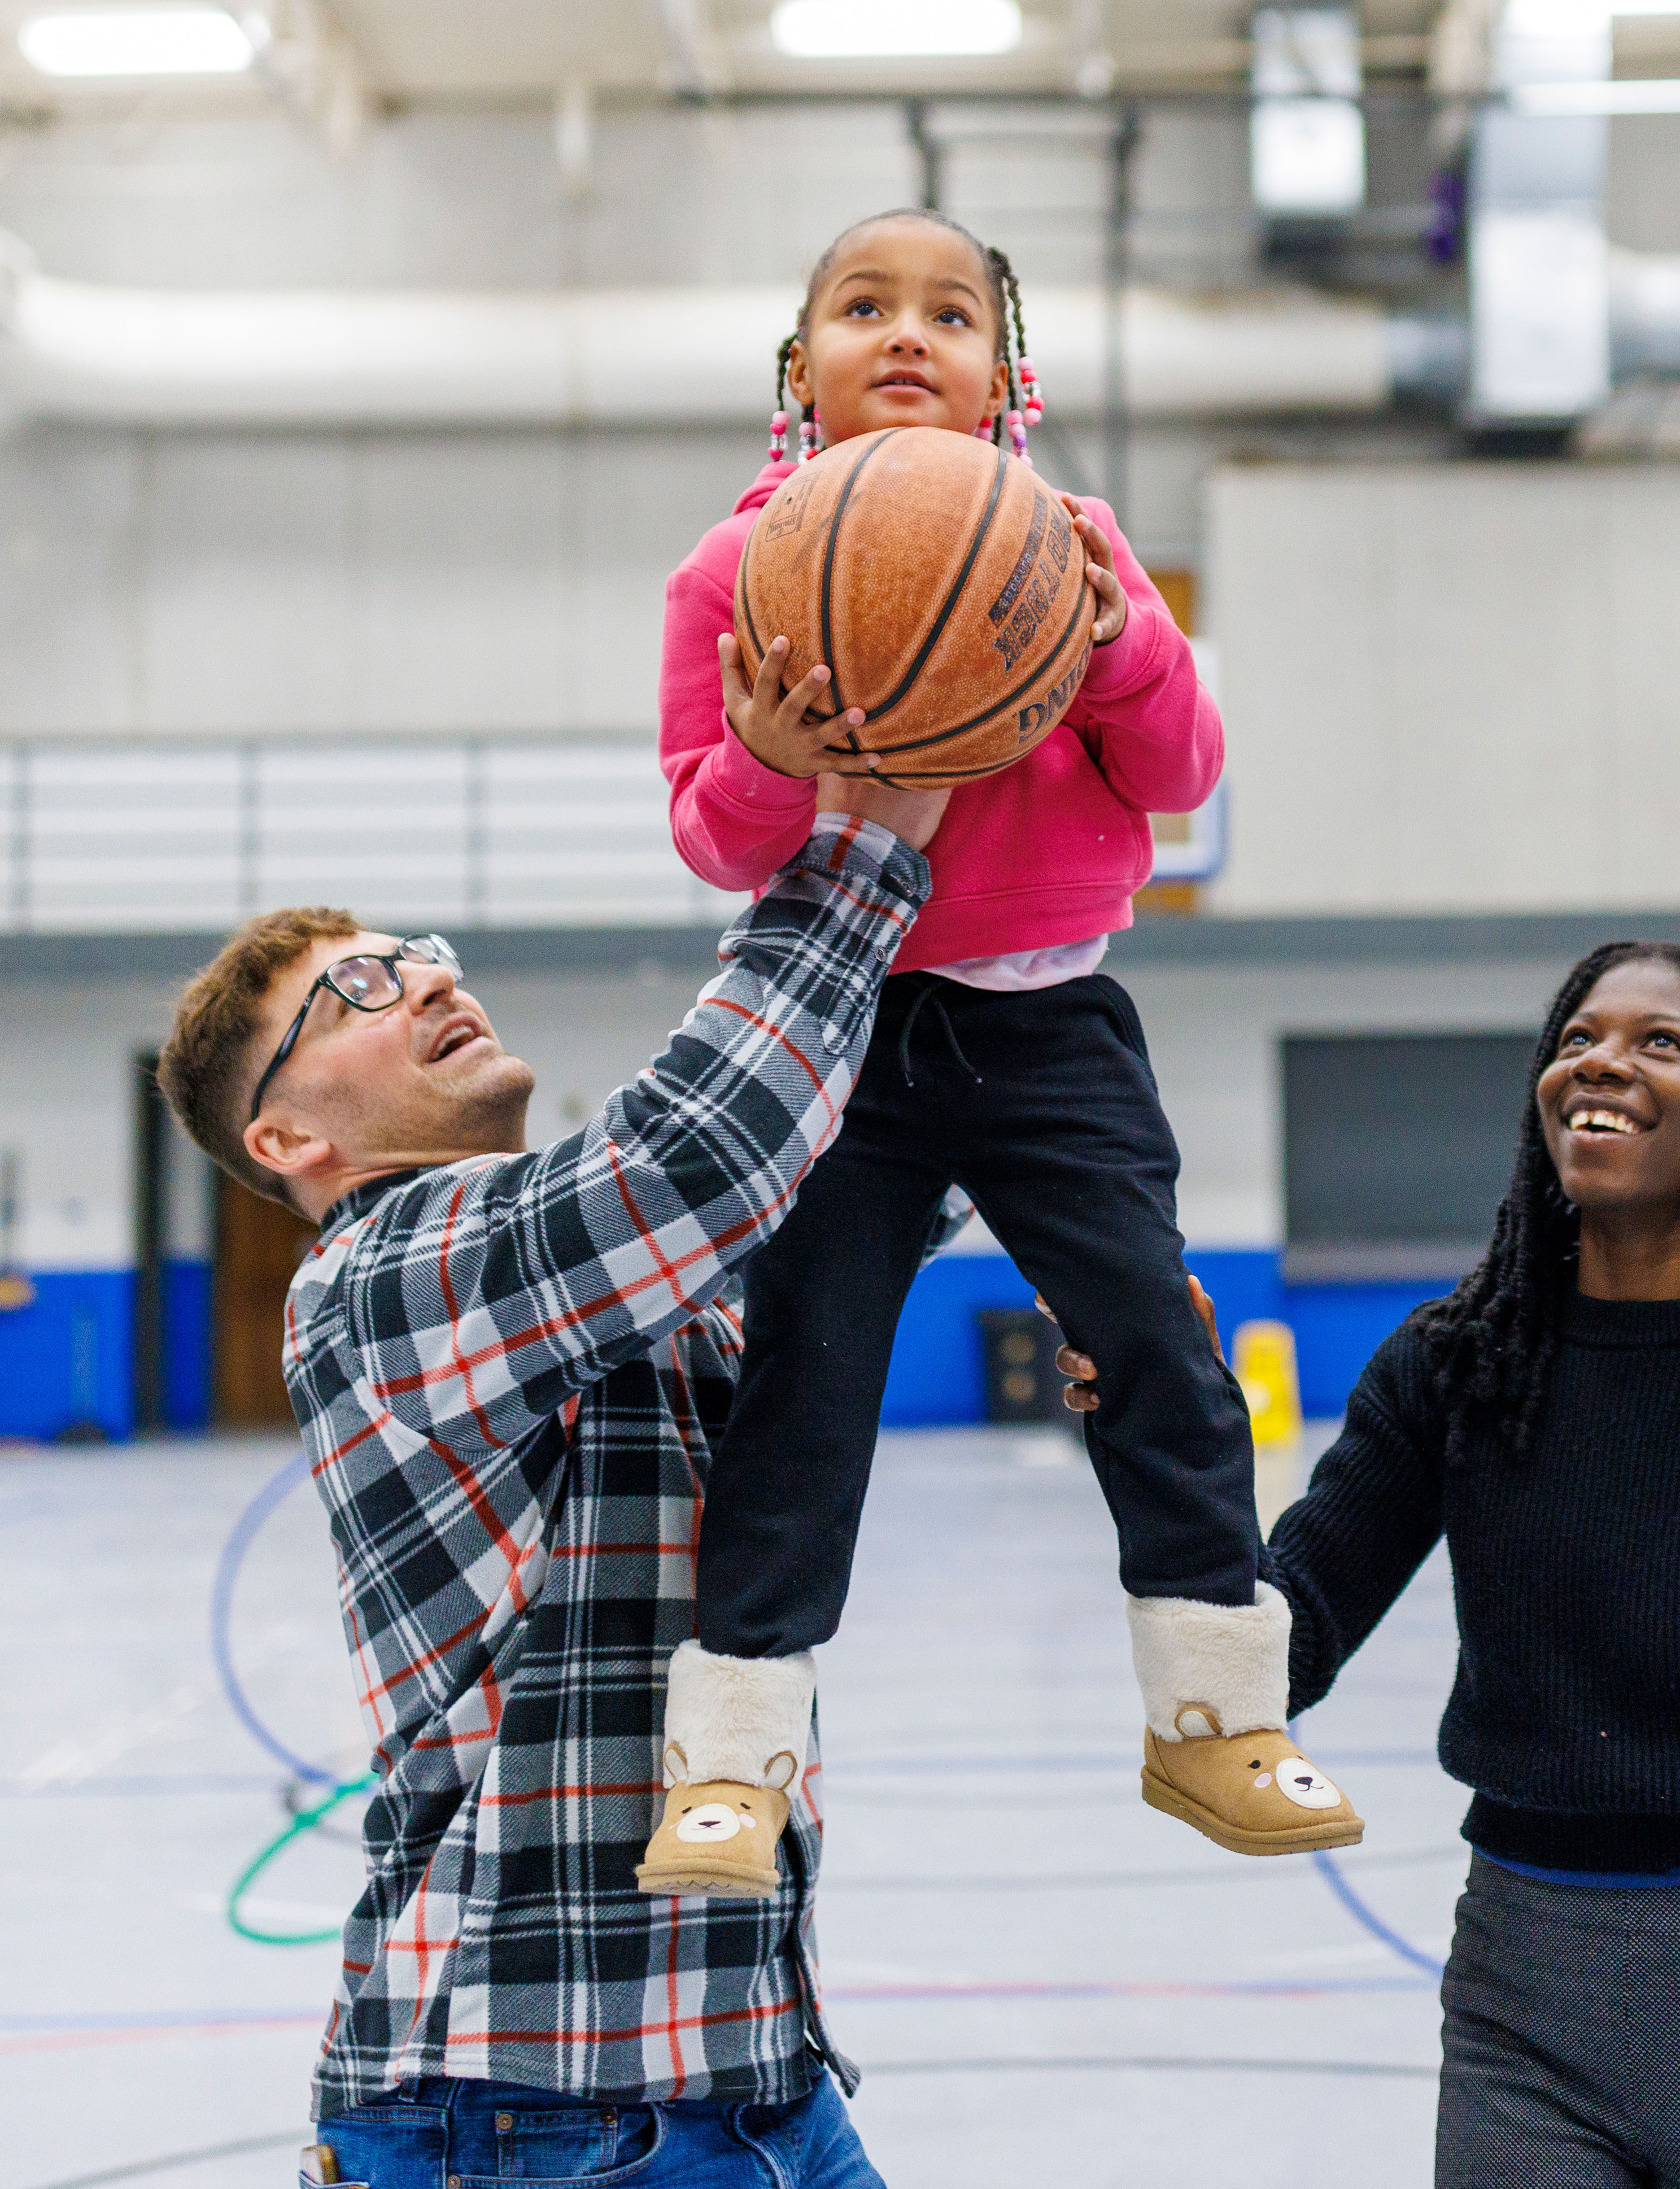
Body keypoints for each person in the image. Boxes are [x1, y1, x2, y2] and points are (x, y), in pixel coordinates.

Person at [641, 205, 1355, 1899]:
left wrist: (1113, 638)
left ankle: (1210, 1716)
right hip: (827, 1022)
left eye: (948, 313)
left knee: (1162, 1353)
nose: (906, 333)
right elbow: (714, 840)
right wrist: (764, 755)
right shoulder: (730, 572)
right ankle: (732, 1760)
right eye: (862, 306)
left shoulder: (1076, 546)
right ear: (794, 372)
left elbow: (1179, 774)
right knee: (800, 1390)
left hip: (1048, 1018)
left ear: (1004, 377)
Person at [1079, 943, 1680, 2189]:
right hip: (1516, 1989)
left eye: (1659, 1043)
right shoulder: (1455, 1364)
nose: (1601, 1062)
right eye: (1579, 1037)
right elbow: (1275, 1653)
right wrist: (1165, 1437)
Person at [152, 780, 948, 2187]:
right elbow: (695, 1158)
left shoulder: (591, 1285)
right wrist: (861, 844)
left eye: (417, 953)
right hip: (529, 2114)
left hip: (750, 2069)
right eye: (355, 990)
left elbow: (840, 1209)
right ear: (286, 1139)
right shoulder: (378, 1279)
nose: (425, 982)